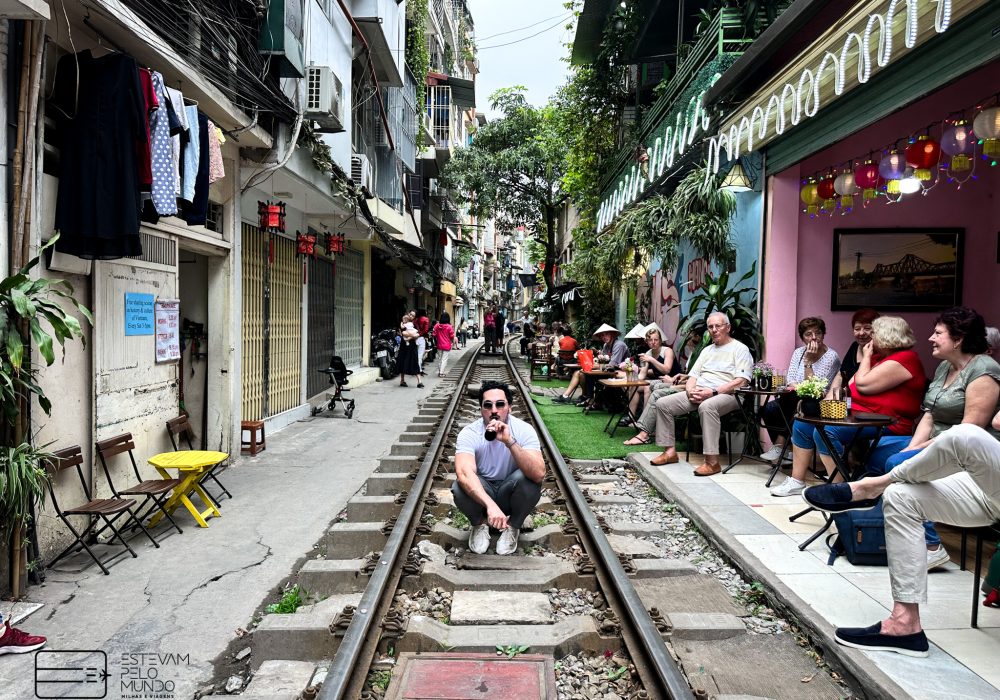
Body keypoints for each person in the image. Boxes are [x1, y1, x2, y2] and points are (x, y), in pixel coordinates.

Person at [801, 409, 1000, 658]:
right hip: (986, 487)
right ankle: (905, 624)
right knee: (899, 496)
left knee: (965, 435)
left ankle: (874, 485)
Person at [861, 307, 1000, 567]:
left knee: (896, 463)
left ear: (958, 339)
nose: (930, 338)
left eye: (937, 333)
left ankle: (932, 545)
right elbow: (929, 415)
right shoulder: (945, 366)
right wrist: (912, 448)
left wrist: (913, 453)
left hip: (962, 453)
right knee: (876, 451)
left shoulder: (984, 370)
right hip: (933, 440)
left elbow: (968, 430)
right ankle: (877, 533)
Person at [770, 316, 925, 497]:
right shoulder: (879, 358)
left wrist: (866, 356)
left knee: (827, 431)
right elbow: (849, 384)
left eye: (874, 333)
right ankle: (797, 481)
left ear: (887, 336)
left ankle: (840, 489)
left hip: (886, 421)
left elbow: (862, 384)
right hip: (857, 415)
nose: (870, 337)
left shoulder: (905, 359)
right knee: (803, 423)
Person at [645, 312, 753, 476]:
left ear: (728, 327)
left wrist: (713, 392)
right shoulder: (707, 350)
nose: (714, 330)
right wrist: (690, 391)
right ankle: (670, 452)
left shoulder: (740, 349)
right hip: (700, 392)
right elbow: (693, 377)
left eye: (718, 326)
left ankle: (712, 462)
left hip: (729, 395)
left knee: (707, 406)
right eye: (710, 327)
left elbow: (742, 381)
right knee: (663, 404)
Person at [452, 381, 545, 555]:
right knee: (459, 486)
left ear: (509, 407)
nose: (494, 410)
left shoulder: (524, 430)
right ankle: (479, 524)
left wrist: (509, 442)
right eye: (488, 405)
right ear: (481, 409)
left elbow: (539, 473)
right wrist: (490, 505)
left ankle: (513, 526)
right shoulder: (469, 432)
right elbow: (464, 472)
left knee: (529, 481)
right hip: (483, 493)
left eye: (500, 404)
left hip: (510, 492)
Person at [759, 317, 842, 463]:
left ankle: (779, 446)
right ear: (803, 338)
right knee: (769, 409)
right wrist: (800, 389)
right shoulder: (798, 352)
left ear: (823, 334)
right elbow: (791, 379)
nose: (814, 337)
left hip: (819, 402)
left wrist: (808, 362)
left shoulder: (831, 356)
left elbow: (816, 387)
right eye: (808, 334)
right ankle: (787, 451)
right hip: (796, 397)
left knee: (800, 405)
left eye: (818, 333)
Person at [552, 324, 628, 405]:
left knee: (586, 374)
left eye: (606, 334)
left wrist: (593, 365)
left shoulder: (619, 345)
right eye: (602, 335)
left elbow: (613, 365)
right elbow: (603, 361)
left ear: (612, 334)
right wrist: (598, 360)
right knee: (580, 373)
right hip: (608, 370)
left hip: (619, 371)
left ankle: (589, 399)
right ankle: (573, 396)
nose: (604, 337)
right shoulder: (606, 345)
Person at [622, 325, 682, 426]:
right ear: (647, 341)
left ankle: (645, 421)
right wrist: (630, 378)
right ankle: (631, 417)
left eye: (656, 340)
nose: (653, 342)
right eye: (650, 340)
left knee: (647, 387)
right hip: (658, 381)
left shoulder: (667, 351)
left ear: (660, 340)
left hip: (672, 381)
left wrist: (651, 360)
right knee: (634, 386)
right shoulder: (648, 353)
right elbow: (642, 374)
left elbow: (667, 369)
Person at [827, 308, 880, 397]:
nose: (861, 333)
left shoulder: (881, 352)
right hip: (847, 398)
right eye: (857, 329)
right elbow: (841, 374)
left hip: (864, 399)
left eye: (867, 328)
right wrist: (831, 397)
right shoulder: (855, 346)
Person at [397, 313, 423, 388]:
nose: (411, 316)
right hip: (404, 345)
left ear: (414, 317)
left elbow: (418, 334)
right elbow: (403, 333)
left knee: (414, 361)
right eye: (410, 314)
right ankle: (402, 380)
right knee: (402, 361)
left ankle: (419, 381)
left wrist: (411, 336)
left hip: (412, 345)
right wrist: (412, 335)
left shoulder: (414, 325)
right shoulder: (403, 323)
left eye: (413, 315)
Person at [433, 312, 456, 377]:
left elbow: (434, 334)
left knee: (440, 359)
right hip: (447, 345)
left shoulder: (437, 326)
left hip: (439, 345)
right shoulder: (449, 327)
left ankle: (440, 371)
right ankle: (441, 373)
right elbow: (452, 336)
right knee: (444, 359)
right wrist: (452, 342)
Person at [415, 309, 431, 374]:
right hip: (421, 338)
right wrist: (420, 334)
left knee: (415, 355)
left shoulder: (415, 319)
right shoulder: (426, 319)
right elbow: (426, 330)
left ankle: (416, 368)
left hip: (414, 338)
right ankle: (419, 370)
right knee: (420, 355)